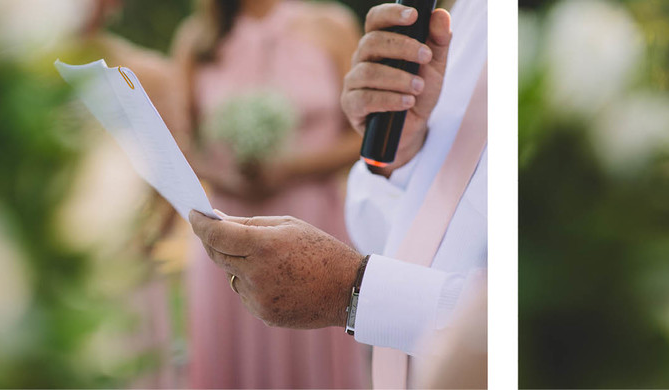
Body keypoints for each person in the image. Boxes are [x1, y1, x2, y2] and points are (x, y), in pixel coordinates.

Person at [188, 0, 488, 388]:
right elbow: (398, 224)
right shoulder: (464, 16)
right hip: (232, 214)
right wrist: (403, 154)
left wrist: (348, 288)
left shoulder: (329, 24)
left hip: (312, 220)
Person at [168, 0, 368, 387]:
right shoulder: (198, 39)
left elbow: (362, 137)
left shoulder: (331, 26)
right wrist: (229, 174)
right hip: (228, 229)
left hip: (316, 226)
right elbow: (181, 145)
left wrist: (288, 169)